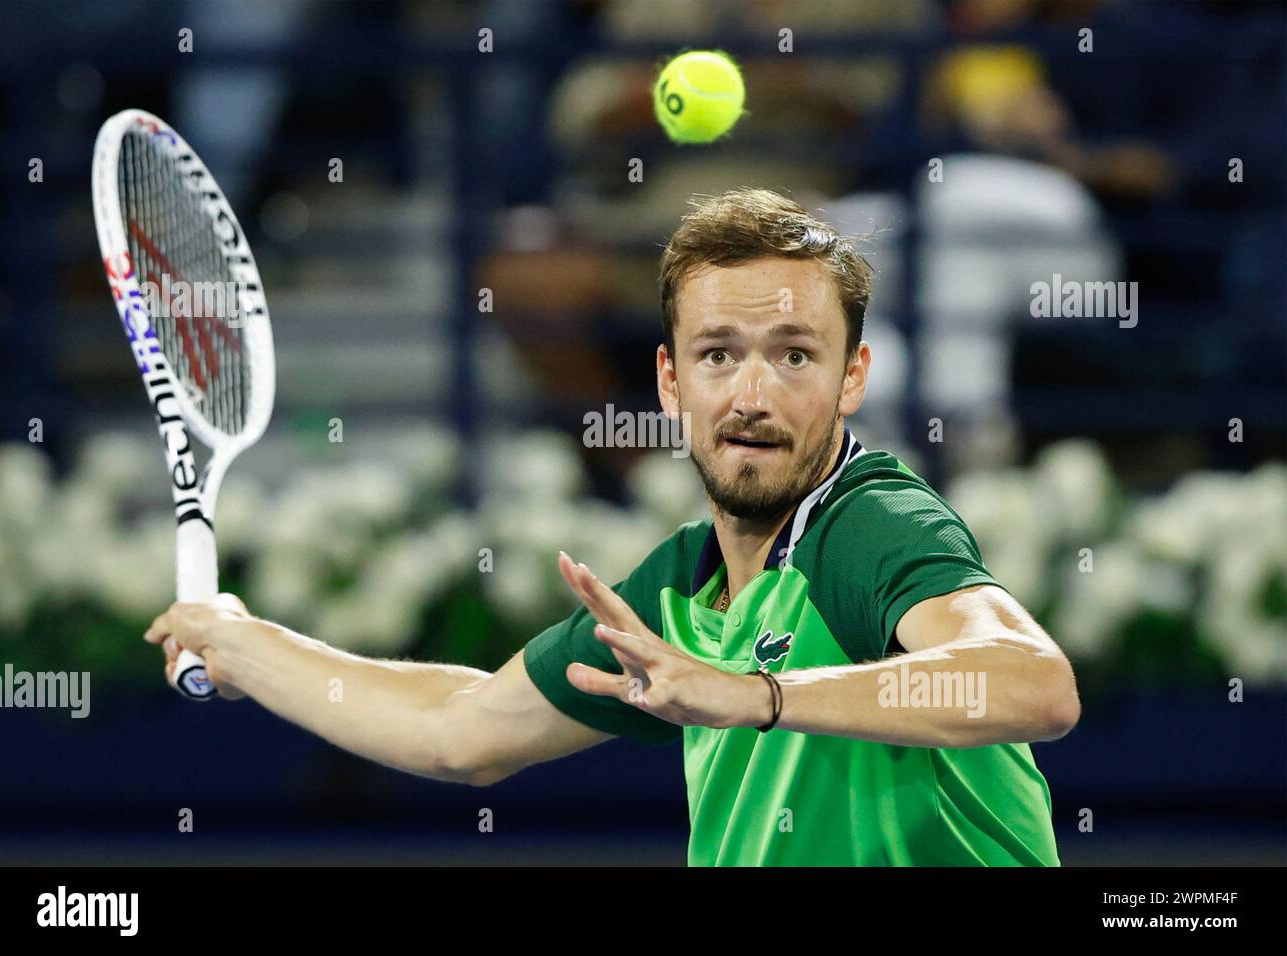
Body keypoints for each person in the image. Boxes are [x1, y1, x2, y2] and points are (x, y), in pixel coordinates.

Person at [146, 188, 1080, 866]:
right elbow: (461, 731)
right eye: (719, 355)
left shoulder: (867, 524)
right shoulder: (680, 587)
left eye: (794, 355)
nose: (752, 394)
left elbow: (1033, 686)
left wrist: (756, 695)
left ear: (852, 379)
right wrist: (244, 642)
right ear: (673, 383)